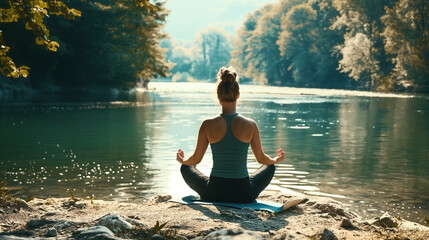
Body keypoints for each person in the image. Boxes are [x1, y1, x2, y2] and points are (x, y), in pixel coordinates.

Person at [176, 66, 285, 203]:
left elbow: (195, 160)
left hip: (214, 193)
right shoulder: (250, 124)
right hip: (244, 194)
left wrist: (183, 160)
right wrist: (275, 159)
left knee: (186, 167)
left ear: (218, 95)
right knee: (269, 166)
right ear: (238, 94)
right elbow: (262, 159)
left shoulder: (207, 124)